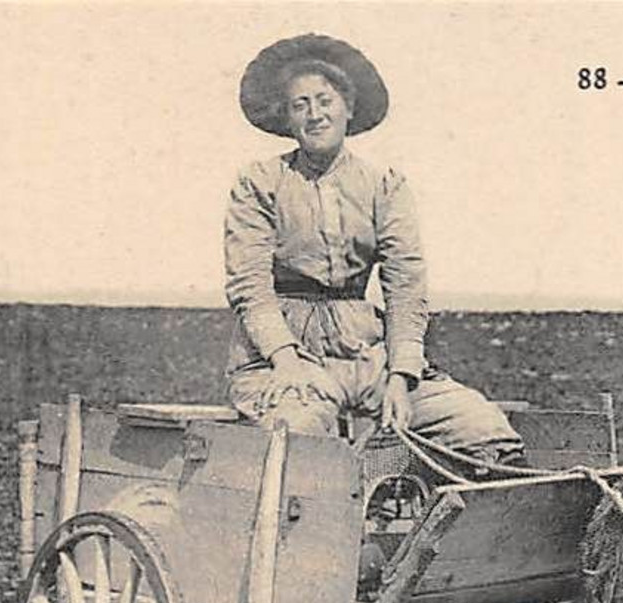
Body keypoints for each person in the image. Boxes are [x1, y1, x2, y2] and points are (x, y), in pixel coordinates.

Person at [224, 34, 524, 464]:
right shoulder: (259, 183)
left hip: (367, 355)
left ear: (348, 109)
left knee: (480, 427)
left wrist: (401, 376)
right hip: (280, 357)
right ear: (287, 119)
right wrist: (285, 359)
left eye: (324, 101)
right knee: (300, 444)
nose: (315, 115)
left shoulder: (385, 185)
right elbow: (249, 286)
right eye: (300, 105)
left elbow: (405, 287)